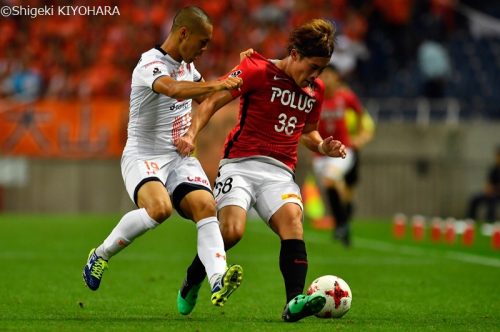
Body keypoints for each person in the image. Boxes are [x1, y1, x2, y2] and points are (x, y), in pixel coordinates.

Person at [175, 18, 346, 322]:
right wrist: (191, 134)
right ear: (294, 54)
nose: (315, 76)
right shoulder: (256, 70)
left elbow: (308, 132)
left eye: (321, 70)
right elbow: (213, 100)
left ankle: (294, 301)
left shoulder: (315, 90)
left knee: (293, 222)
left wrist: (322, 147)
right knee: (231, 232)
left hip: (279, 172)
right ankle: (193, 279)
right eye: (312, 67)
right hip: (238, 165)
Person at [82, 6, 244, 308]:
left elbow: (205, 97)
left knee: (207, 207)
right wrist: (220, 82)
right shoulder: (150, 64)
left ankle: (218, 280)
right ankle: (100, 255)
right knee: (159, 209)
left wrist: (240, 74)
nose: (205, 49)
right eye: (202, 41)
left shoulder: (188, 67)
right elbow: (173, 90)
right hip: (143, 156)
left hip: (179, 157)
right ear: (183, 33)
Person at [311, 64, 374, 246]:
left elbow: (361, 114)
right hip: (321, 153)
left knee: (333, 181)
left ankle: (341, 224)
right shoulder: (315, 98)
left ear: (337, 78)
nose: (327, 79)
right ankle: (343, 224)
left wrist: (359, 136)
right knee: (333, 187)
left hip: (342, 151)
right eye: (324, 76)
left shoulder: (345, 97)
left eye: (330, 76)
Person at [467, 147, 500, 223]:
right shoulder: (494, 169)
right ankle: (471, 221)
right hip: (491, 193)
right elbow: (488, 182)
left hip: (497, 194)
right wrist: (488, 189)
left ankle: (490, 222)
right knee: (474, 199)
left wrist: (495, 189)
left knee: (492, 202)